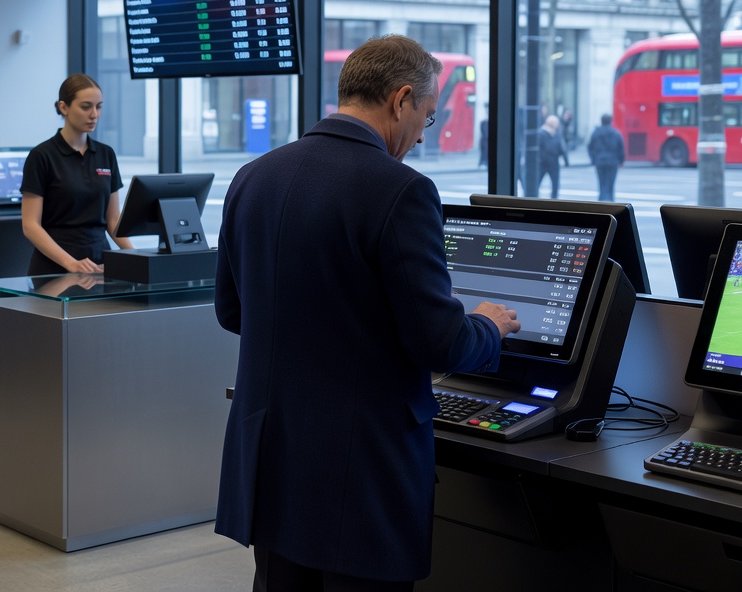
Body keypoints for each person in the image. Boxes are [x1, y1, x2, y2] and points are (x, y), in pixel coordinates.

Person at [214, 35, 520, 591]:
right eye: (426, 118)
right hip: (357, 473)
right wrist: (488, 327)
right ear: (401, 99)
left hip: (272, 459)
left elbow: (234, 311)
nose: (422, 136)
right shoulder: (400, 190)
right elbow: (441, 343)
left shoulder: (253, 176)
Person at [20, 73, 133, 275]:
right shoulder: (42, 156)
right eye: (86, 106)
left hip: (100, 266)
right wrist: (71, 263)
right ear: (64, 107)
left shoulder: (106, 154)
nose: (94, 114)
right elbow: (30, 226)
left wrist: (136, 256)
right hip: (54, 267)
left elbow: (113, 220)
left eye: (98, 107)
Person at [587, 113, 625, 202]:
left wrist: (593, 159)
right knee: (611, 183)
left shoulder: (596, 133)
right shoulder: (616, 133)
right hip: (613, 161)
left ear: (601, 121)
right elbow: (621, 148)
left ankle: (601, 200)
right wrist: (621, 161)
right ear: (611, 121)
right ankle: (610, 200)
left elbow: (590, 147)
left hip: (599, 160)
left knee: (601, 182)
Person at [538, 114, 568, 199]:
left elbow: (562, 149)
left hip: (552, 162)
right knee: (538, 182)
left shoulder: (556, 134)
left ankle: (554, 199)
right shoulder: (542, 133)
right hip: (543, 163)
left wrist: (566, 161)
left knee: (555, 184)